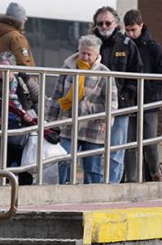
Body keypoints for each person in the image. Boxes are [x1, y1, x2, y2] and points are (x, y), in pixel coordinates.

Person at [47, 35, 117, 184]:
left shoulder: (104, 73)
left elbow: (111, 102)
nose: (85, 57)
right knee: (63, 160)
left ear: (97, 55)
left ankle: (94, 192)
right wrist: (50, 121)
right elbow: (57, 95)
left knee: (92, 166)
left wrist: (106, 120)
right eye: (82, 53)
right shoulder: (68, 68)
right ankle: (63, 187)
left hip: (93, 126)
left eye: (89, 54)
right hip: (68, 124)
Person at [91, 6, 143, 184]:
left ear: (116, 23)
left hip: (120, 106)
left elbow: (137, 74)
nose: (104, 26)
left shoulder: (127, 45)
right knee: (93, 151)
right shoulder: (89, 44)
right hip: (94, 108)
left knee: (116, 152)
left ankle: (112, 186)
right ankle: (94, 186)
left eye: (108, 23)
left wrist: (125, 97)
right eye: (100, 23)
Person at [0, 51, 41, 170]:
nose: (3, 72)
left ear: (13, 68)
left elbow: (42, 102)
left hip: (24, 129)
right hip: (2, 132)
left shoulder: (25, 81)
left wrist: (32, 114)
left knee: (18, 162)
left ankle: (15, 173)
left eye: (6, 69)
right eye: (0, 70)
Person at [122, 9, 162, 182]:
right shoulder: (123, 46)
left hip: (148, 102)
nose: (130, 34)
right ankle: (132, 179)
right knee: (130, 143)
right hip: (129, 100)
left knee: (149, 142)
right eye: (127, 30)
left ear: (141, 26)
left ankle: (155, 172)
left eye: (133, 30)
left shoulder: (153, 47)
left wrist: (149, 93)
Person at [0, 2, 35, 67]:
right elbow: (23, 63)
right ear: (21, 20)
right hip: (12, 73)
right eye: (25, 19)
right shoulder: (16, 37)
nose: (25, 22)